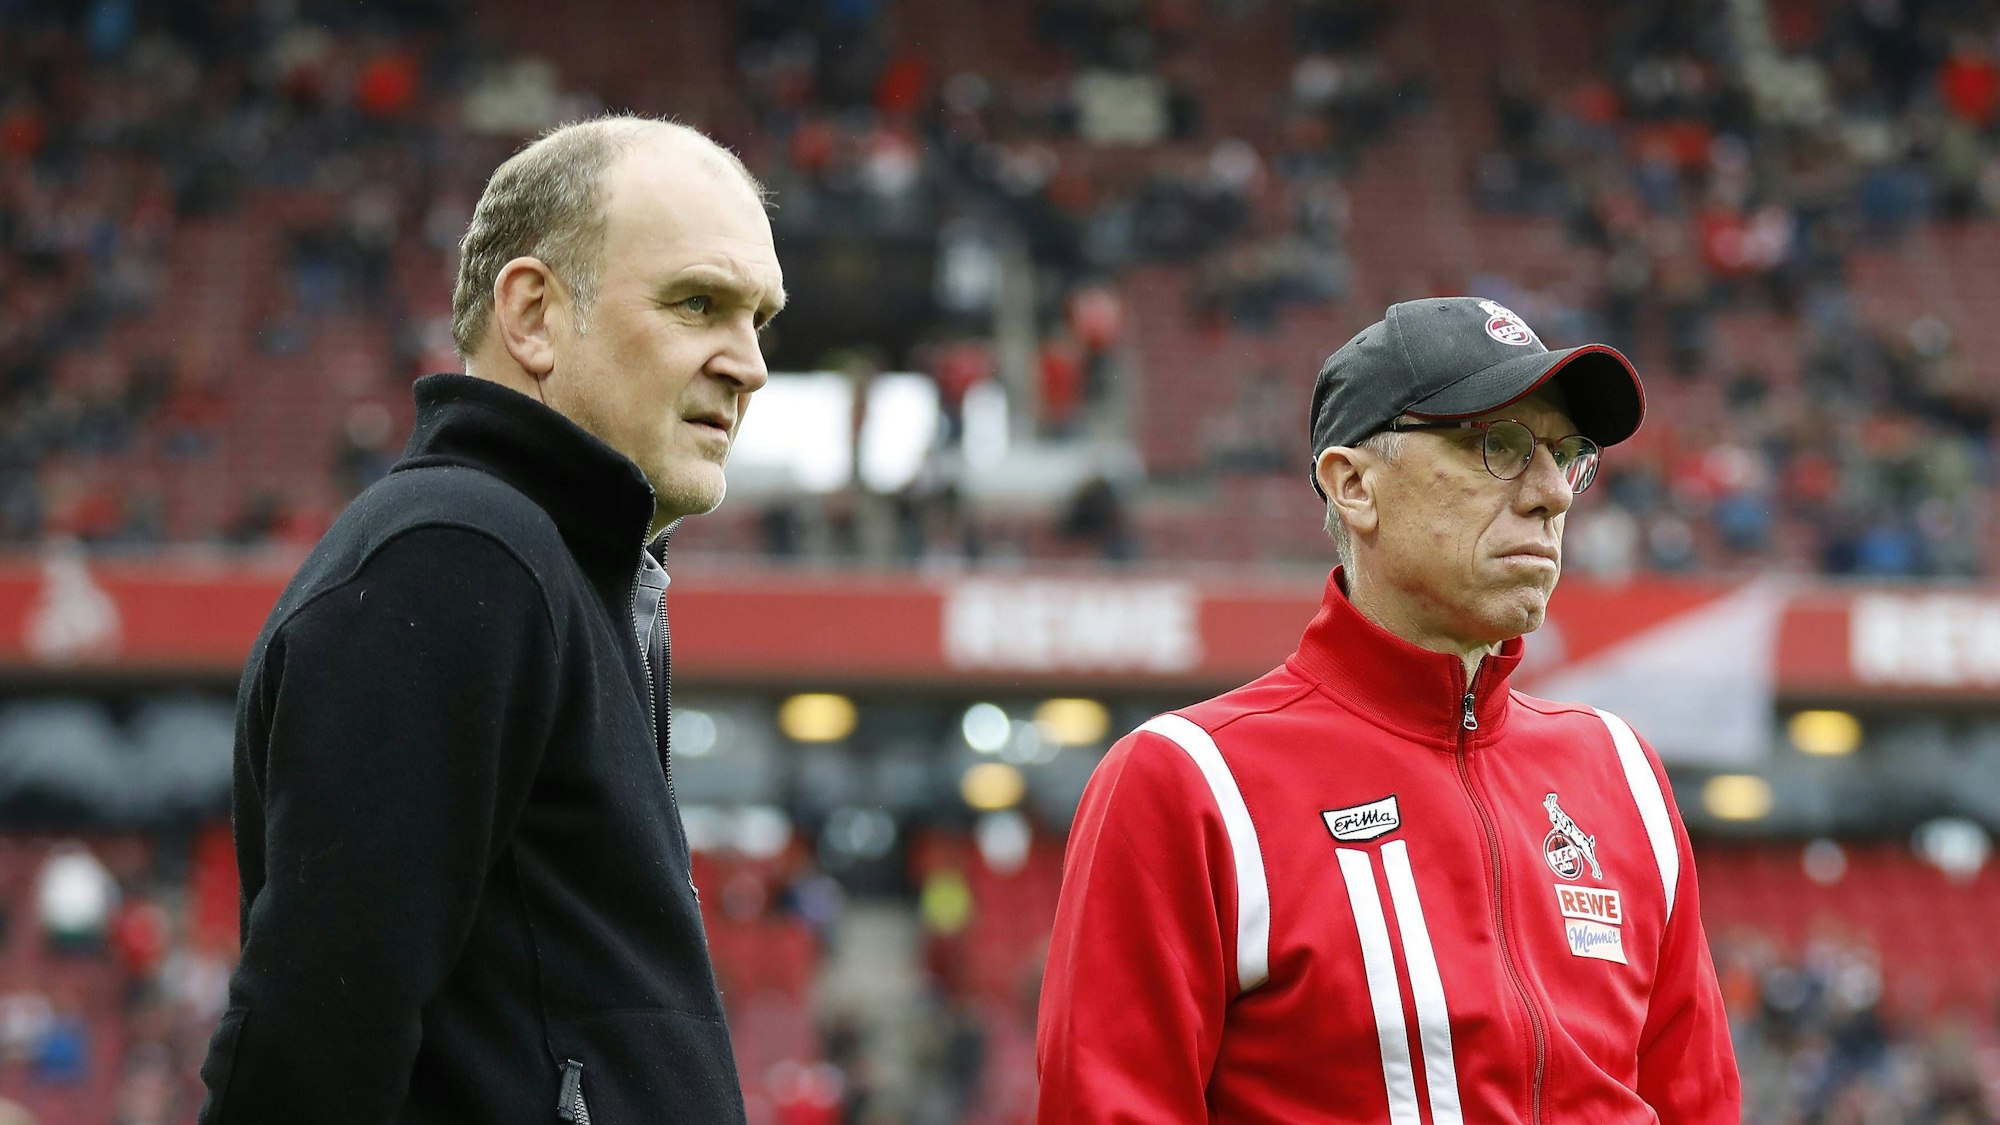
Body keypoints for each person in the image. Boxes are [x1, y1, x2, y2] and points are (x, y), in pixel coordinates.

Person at [196, 116, 785, 1124]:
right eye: (699, 304)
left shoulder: (553, 564)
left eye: (759, 320)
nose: (750, 364)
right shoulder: (457, 552)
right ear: (533, 314)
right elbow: (316, 1035)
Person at [1037, 297, 1740, 1122]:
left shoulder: (1623, 774)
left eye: (1567, 454)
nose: (1553, 492)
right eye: (1501, 445)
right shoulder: (1187, 782)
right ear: (1355, 486)